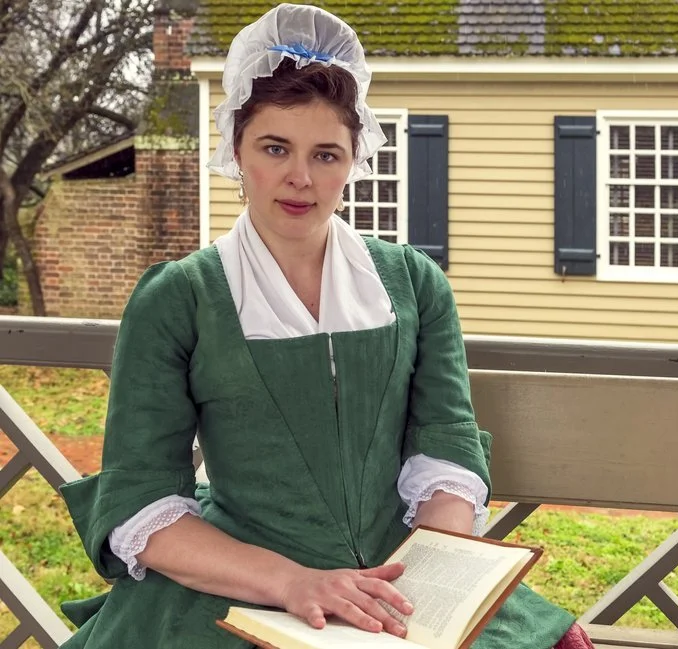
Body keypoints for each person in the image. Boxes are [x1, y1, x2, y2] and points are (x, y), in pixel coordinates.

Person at [59, 4, 593, 648]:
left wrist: (428, 580)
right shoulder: (179, 299)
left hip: (399, 581)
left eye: (326, 154)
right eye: (275, 148)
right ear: (236, 149)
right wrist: (294, 582)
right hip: (243, 583)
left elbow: (446, 444)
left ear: (353, 161)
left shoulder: (414, 284)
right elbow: (140, 496)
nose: (300, 177)